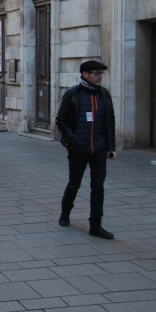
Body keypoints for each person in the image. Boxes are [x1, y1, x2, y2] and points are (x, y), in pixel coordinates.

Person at [56, 60, 116, 240]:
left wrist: (111, 147)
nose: (99, 76)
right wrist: (72, 138)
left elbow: (110, 122)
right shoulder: (72, 93)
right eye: (96, 73)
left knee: (98, 187)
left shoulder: (104, 94)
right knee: (74, 184)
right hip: (78, 149)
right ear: (85, 75)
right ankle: (65, 214)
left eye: (100, 73)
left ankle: (95, 224)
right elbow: (60, 119)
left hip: (98, 148)